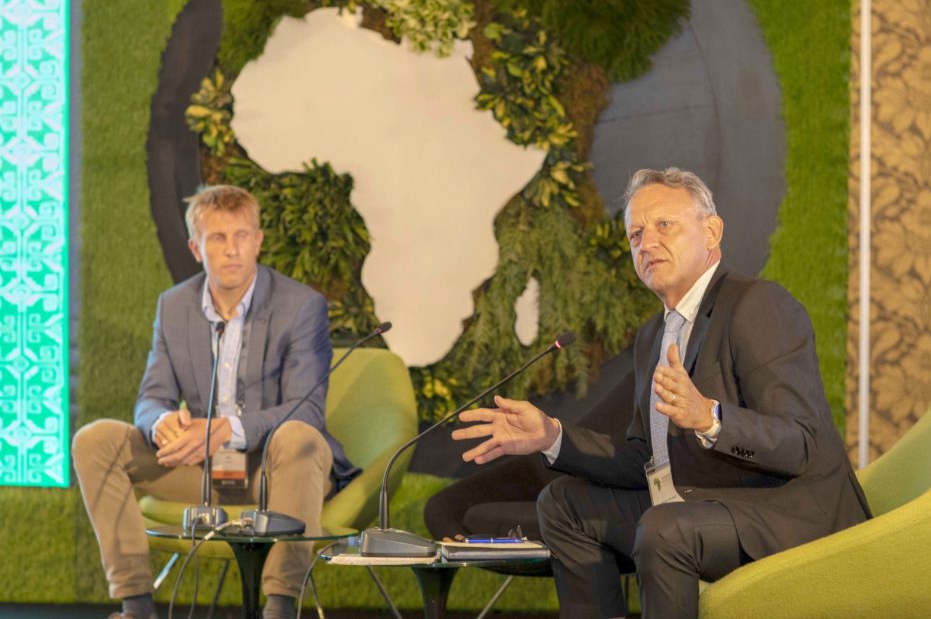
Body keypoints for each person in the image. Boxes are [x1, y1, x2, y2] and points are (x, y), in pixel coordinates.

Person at [454, 168, 871, 618]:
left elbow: (800, 443)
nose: (646, 242)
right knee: (562, 504)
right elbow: (643, 460)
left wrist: (710, 417)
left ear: (711, 231)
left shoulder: (757, 305)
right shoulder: (655, 335)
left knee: (665, 528)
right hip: (700, 505)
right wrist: (551, 435)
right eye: (635, 234)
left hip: (785, 514)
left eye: (663, 225)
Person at [72, 185, 359, 619]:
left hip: (275, 470)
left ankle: (280, 606)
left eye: (242, 236)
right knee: (96, 439)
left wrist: (229, 429)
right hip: (205, 471)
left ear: (258, 240)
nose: (232, 251)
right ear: (195, 247)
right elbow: (151, 397)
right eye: (218, 239)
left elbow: (307, 408)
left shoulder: (301, 306)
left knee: (300, 434)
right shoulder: (173, 306)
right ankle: (136, 605)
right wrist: (162, 422)